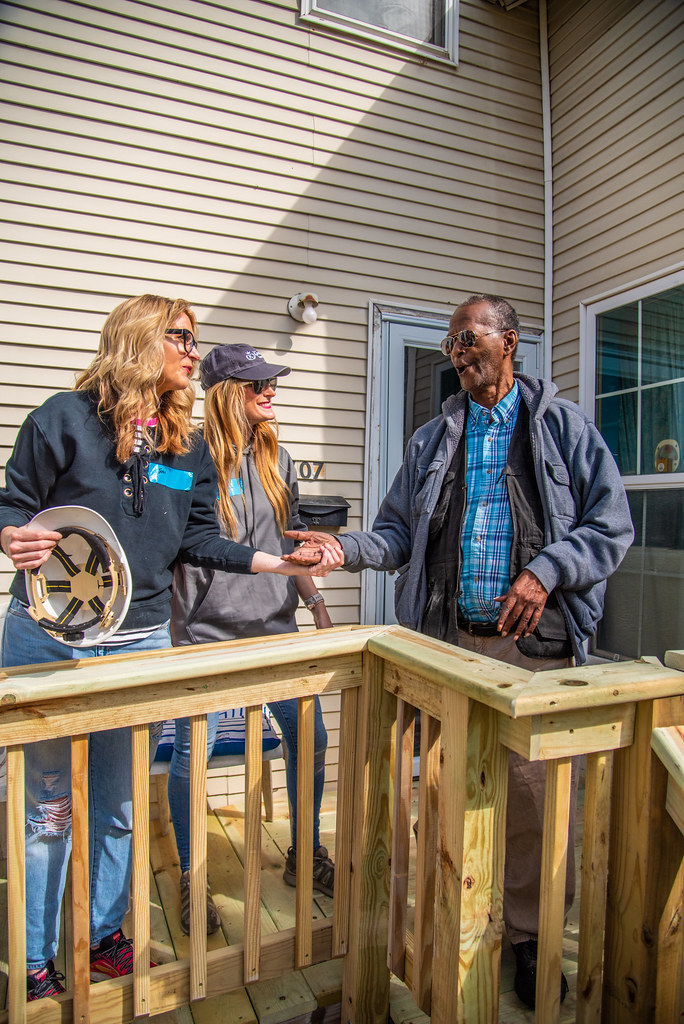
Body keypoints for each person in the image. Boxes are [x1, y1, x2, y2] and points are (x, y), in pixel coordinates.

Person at [284, 293, 634, 1010]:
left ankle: (530, 938)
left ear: (509, 342)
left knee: (535, 807)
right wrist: (342, 549)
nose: (459, 352)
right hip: (446, 648)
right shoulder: (432, 438)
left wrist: (547, 570)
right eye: (451, 345)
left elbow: (610, 524)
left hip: (531, 652)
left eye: (469, 339)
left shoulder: (561, 428)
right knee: (439, 797)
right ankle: (446, 924)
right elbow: (393, 535)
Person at [0, 295, 339, 1001]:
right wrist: (9, 536)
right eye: (181, 337)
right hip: (54, 639)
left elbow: (197, 541)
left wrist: (280, 567)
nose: (193, 350)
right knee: (48, 810)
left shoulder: (179, 444)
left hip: (141, 642)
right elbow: (11, 503)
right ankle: (34, 959)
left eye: (193, 339)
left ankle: (104, 938)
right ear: (139, 340)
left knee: (121, 805)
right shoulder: (60, 419)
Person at [169, 343, 335, 935]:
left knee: (309, 740)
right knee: (193, 759)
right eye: (256, 384)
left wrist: (314, 601)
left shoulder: (278, 458)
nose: (270, 392)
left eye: (271, 383)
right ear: (223, 393)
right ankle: (192, 879)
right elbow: (171, 541)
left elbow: (290, 545)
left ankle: (306, 852)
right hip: (207, 636)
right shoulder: (182, 457)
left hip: (277, 631)